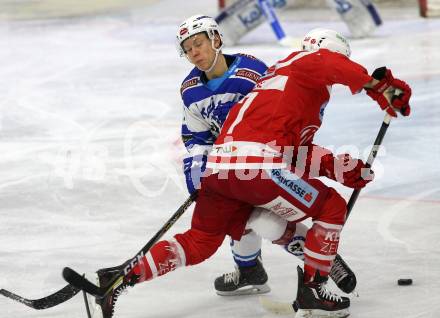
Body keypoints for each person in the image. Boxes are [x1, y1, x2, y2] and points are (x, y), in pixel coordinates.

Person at [88, 26, 411, 318]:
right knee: (331, 207)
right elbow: (328, 65)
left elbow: (296, 149)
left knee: (200, 241)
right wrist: (376, 85)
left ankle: (119, 279)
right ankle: (314, 290)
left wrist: (340, 168)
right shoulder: (305, 62)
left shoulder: (286, 81)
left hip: (221, 169)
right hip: (256, 167)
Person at [176, 15, 357, 298]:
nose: (194, 53)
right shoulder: (190, 90)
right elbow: (196, 137)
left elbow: (283, 116)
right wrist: (198, 174)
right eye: (187, 49)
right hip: (231, 161)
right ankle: (250, 269)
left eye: (198, 44)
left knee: (266, 221)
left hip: (264, 158)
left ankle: (318, 257)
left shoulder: (253, 71)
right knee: (243, 215)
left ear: (216, 39)